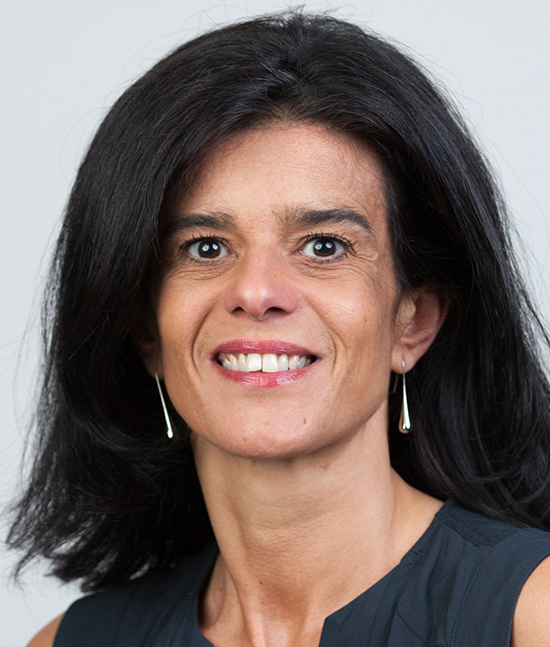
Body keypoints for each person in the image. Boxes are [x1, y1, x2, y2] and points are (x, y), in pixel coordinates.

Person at [9, 10, 550, 647]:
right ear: (146, 330)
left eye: (323, 246)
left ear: (413, 321)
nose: (257, 293)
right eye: (206, 248)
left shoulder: (532, 615)